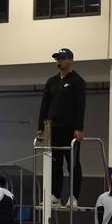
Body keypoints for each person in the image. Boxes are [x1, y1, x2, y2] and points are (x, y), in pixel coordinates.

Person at [36, 48, 86, 205]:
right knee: (55, 164)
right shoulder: (51, 81)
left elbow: (81, 106)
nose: (59, 61)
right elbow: (44, 105)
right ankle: (56, 195)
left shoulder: (77, 81)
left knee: (73, 164)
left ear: (70, 60)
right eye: (57, 59)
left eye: (62, 59)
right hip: (53, 129)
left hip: (70, 130)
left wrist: (79, 128)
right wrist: (40, 128)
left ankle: (74, 197)